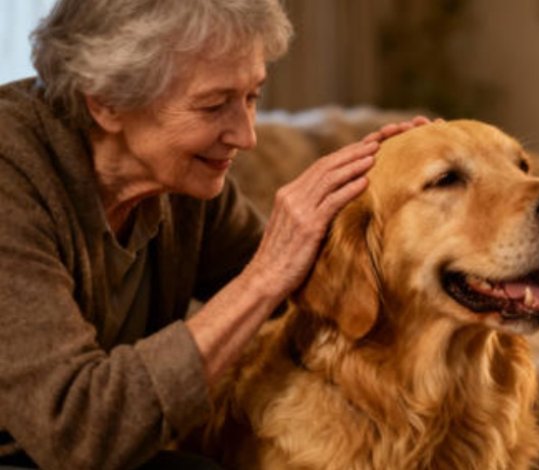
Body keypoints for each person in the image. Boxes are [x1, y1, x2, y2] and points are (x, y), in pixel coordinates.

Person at [0, 1, 428, 468]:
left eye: (252, 97)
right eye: (213, 105)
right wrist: (265, 275)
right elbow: (77, 433)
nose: (246, 136)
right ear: (105, 102)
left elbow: (309, 299)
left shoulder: (178, 182)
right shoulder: (11, 176)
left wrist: (384, 197)